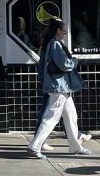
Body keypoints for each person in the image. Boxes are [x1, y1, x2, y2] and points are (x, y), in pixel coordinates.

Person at [26, 19, 91, 159]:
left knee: (71, 116)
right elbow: (64, 64)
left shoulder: (52, 43)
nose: (65, 34)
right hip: (58, 87)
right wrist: (75, 61)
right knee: (51, 117)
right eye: (64, 31)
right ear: (57, 31)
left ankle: (75, 147)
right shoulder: (55, 44)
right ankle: (34, 146)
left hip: (61, 87)